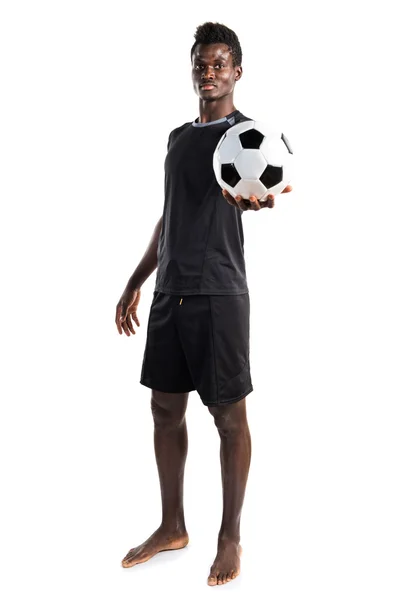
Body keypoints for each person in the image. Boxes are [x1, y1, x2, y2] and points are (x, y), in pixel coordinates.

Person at [115, 21, 293, 586]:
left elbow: (262, 189)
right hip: (171, 291)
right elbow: (169, 216)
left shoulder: (252, 138)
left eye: (220, 63)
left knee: (228, 418)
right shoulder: (176, 138)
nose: (209, 72)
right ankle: (172, 525)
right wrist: (136, 280)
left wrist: (257, 200)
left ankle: (231, 535)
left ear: (237, 71)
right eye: (201, 63)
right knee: (164, 410)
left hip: (220, 292)